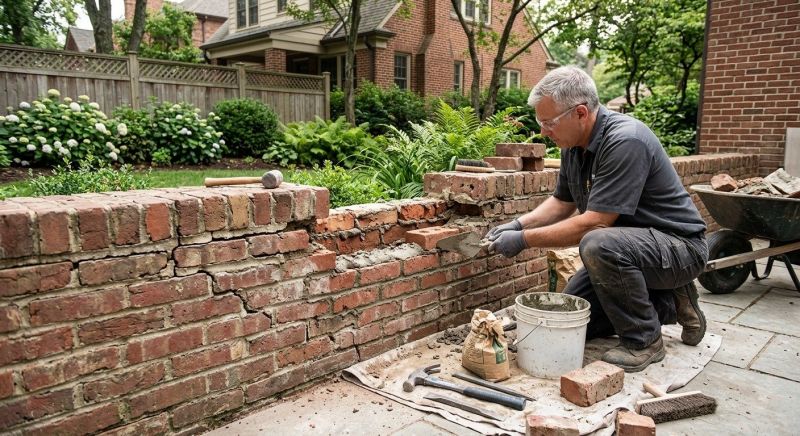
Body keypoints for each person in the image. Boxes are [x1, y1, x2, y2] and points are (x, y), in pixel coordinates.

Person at [487, 66, 709, 373]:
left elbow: (595, 223)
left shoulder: (626, 141)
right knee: (572, 319)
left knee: (597, 243)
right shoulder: (573, 146)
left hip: (679, 248)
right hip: (628, 249)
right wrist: (518, 225)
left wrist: (523, 240)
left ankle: (644, 341)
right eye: (541, 122)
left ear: (580, 113)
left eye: (548, 122)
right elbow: (562, 202)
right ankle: (668, 300)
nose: (543, 131)